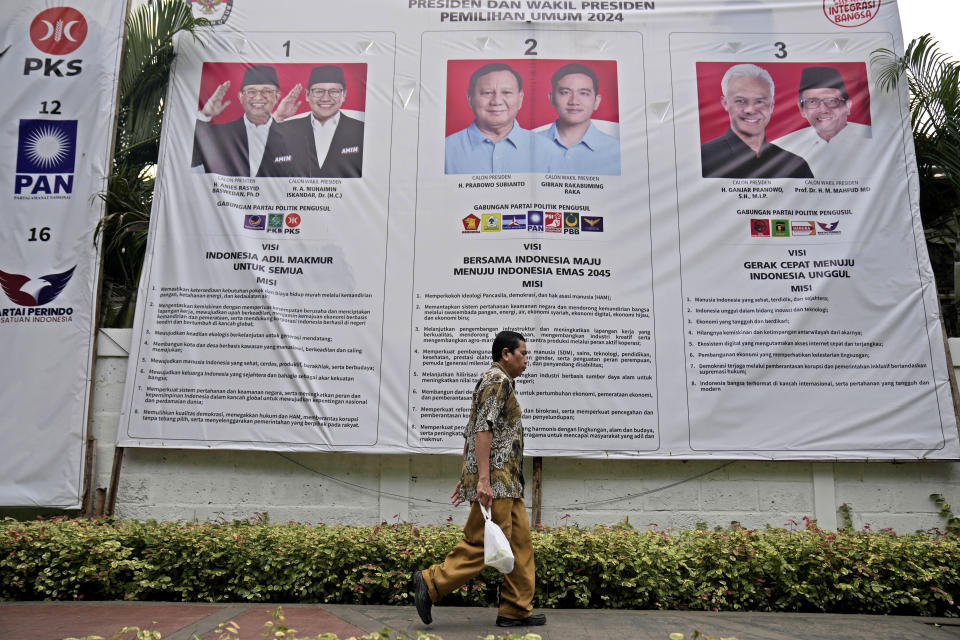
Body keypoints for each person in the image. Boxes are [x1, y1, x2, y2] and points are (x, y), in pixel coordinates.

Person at [412, 331, 545, 629]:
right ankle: (430, 582)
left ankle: (515, 609)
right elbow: (482, 429)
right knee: (479, 545)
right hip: (496, 483)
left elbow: (471, 428)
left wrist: (468, 474)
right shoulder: (497, 381)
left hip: (508, 482)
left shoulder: (499, 382)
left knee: (519, 546)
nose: (526, 360)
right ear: (506, 354)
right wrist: (481, 480)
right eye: (523, 354)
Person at [700, 63, 813, 179]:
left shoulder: (795, 165)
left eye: (760, 101)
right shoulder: (702, 159)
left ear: (772, 106)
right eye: (740, 101)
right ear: (725, 103)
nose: (750, 110)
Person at [445, 63, 552, 174]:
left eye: (506, 92)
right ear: (470, 99)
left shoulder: (546, 149)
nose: (496, 101)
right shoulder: (445, 151)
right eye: (487, 93)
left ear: (520, 99)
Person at [262, 65, 364, 178]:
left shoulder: (361, 130)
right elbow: (257, 166)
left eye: (334, 91)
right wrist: (278, 116)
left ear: (343, 95)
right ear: (307, 95)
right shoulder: (285, 129)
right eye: (318, 91)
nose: (325, 98)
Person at [191, 65, 293, 177]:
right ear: (241, 97)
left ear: (277, 97)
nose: (258, 97)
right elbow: (189, 160)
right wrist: (206, 115)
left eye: (267, 91)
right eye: (251, 92)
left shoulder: (292, 137)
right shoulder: (218, 134)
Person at [772, 66, 871, 178]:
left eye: (832, 101)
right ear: (802, 109)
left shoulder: (873, 139)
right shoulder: (784, 147)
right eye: (812, 102)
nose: (823, 109)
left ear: (847, 106)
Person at [539, 63, 620, 175]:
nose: (574, 101)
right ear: (551, 98)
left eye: (583, 93)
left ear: (596, 101)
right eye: (565, 92)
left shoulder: (616, 149)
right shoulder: (531, 145)